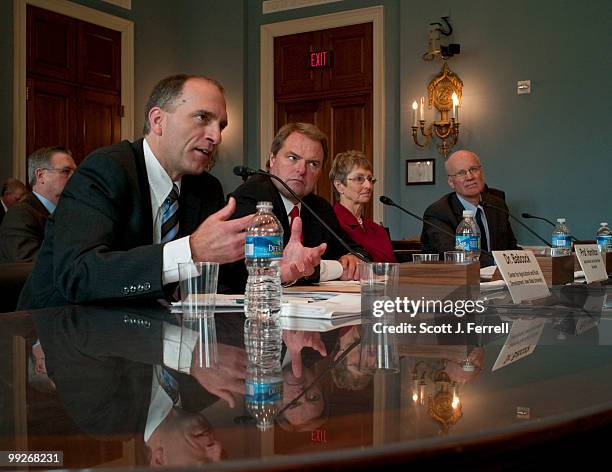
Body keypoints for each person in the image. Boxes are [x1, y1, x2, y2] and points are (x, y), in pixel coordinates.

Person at [18, 75, 322, 310]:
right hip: (57, 339)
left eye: (221, 125)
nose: (216, 136)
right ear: (158, 121)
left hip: (148, 340)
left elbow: (220, 279)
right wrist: (190, 251)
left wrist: (270, 273)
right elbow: (79, 275)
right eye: (203, 118)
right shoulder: (104, 170)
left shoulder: (205, 188)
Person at [226, 122, 369, 293]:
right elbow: (245, 271)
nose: (301, 170)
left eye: (313, 164)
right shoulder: (252, 196)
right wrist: (337, 268)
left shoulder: (319, 208)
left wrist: (353, 259)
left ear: (320, 173)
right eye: (293, 158)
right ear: (272, 159)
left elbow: (359, 252)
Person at [420, 149, 519, 267]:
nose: (470, 177)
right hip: (457, 281)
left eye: (473, 169)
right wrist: (498, 262)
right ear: (451, 182)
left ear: (481, 173)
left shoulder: (497, 206)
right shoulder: (438, 212)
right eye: (461, 173)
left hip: (498, 280)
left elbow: (510, 246)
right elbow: (454, 254)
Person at [0, 147, 76, 263]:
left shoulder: (72, 213)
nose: (75, 177)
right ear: (40, 176)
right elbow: (30, 266)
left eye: (76, 172)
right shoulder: (20, 215)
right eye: (65, 171)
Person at [329, 150, 396, 262]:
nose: (368, 186)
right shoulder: (330, 224)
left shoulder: (378, 230)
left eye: (370, 179)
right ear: (339, 186)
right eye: (359, 179)